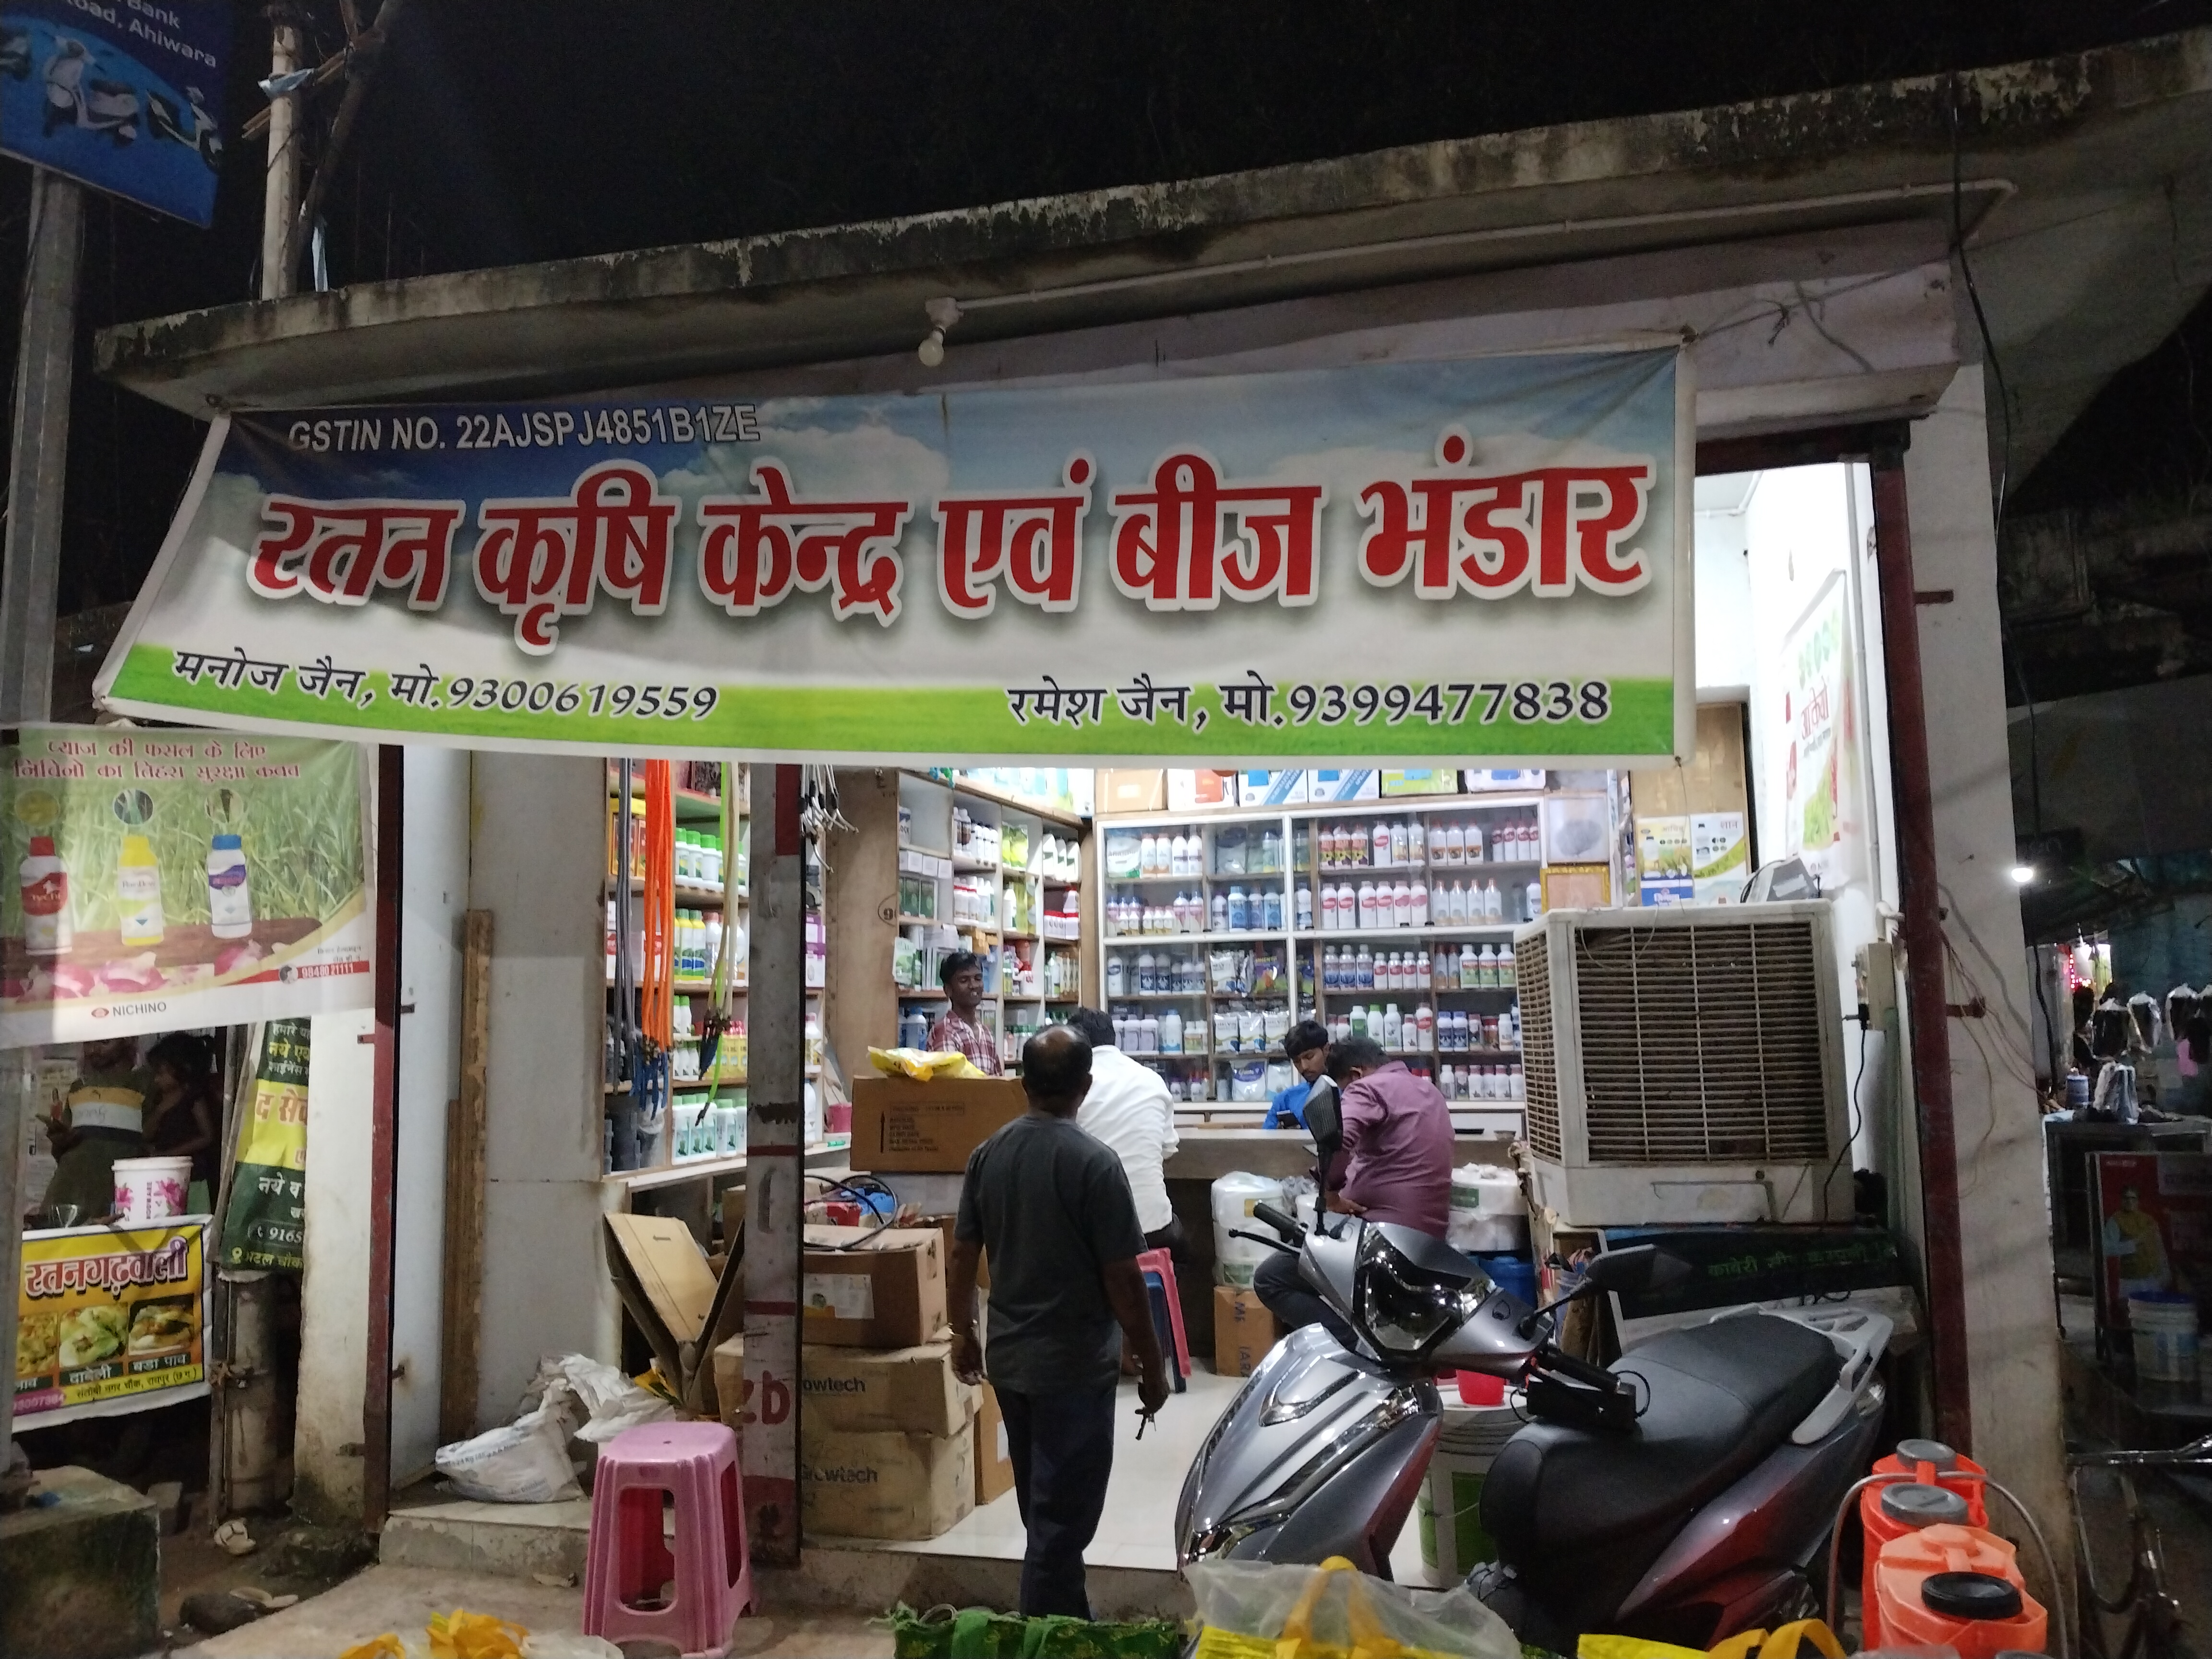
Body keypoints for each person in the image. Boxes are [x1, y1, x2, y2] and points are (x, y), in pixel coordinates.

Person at [949, 1027, 1170, 1619]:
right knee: (1064, 1517)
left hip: (1012, 1362)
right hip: (1074, 1367)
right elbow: (1124, 1279)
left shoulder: (987, 1154)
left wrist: (962, 1332)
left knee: (1043, 1508)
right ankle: (1041, 1632)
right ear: (1085, 1087)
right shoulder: (1095, 1163)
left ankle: (1067, 1623)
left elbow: (962, 1253)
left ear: (1023, 1085)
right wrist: (1153, 1364)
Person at [1252, 1034, 1455, 1346]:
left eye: (1344, 1089)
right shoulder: (1429, 1091)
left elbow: (1336, 1138)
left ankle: (1358, 1346)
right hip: (1428, 1238)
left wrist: (1331, 1194)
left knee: (1272, 1278)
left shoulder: (1367, 1088)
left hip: (1384, 1240)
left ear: (1356, 1075)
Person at [1062, 1007, 1183, 1254]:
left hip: (1094, 1235)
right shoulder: (1152, 1079)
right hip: (1154, 1229)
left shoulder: (1074, 1086)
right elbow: (1168, 1150)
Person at [43, 1036, 153, 1217]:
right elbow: (60, 1153)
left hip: (121, 1189)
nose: (94, 1050)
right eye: (88, 1043)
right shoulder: (78, 1088)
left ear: (127, 1041)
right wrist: (60, 1140)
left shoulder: (144, 1084)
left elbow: (153, 1140)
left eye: (104, 1043)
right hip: (70, 1190)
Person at [144, 1033, 221, 1193]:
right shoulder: (158, 1098)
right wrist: (161, 1111)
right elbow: (147, 1135)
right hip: (166, 1174)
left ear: (183, 1068)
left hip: (195, 1175)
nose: (156, 1080)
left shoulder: (195, 1096)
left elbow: (207, 1136)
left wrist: (168, 1155)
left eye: (161, 1073)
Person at [927, 950, 1002, 1076]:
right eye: (964, 980)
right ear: (948, 990)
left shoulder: (986, 1034)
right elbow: (951, 1084)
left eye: (978, 978)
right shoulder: (946, 1032)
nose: (973, 985)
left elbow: (999, 1082)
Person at [1263, 1020, 1332, 1130]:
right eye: (1297, 1061)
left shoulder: (1348, 1094)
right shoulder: (1285, 1100)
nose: (1304, 1067)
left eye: (1309, 1057)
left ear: (1326, 1049)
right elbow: (1266, 1138)